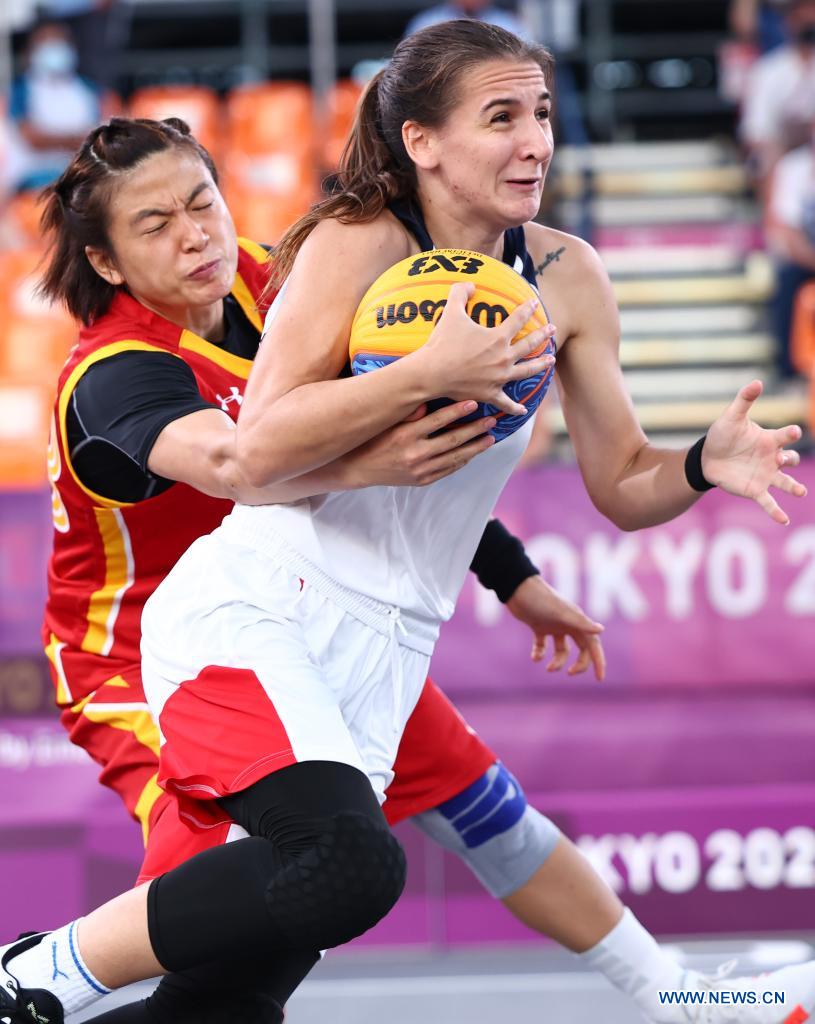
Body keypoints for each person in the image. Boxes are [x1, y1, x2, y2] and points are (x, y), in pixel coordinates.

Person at [2, 22, 810, 1024]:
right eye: (501, 117)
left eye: (543, 114)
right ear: (420, 139)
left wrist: (692, 466)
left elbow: (615, 484)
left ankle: (683, 999)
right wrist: (428, 378)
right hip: (209, 625)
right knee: (338, 865)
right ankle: (42, 969)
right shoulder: (225, 314)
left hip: (384, 636)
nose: (535, 142)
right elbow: (249, 457)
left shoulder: (555, 275)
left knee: (241, 990)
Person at [8, 21, 103, 193]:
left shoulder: (88, 89)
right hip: (34, 182)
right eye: (46, 41)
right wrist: (76, 139)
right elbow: (31, 137)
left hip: (84, 178)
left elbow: (102, 134)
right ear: (31, 50)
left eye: (59, 40)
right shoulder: (21, 89)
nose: (54, 46)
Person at [740, 0, 815, 189]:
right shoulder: (767, 70)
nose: (808, 20)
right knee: (764, 161)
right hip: (783, 155)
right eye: (800, 16)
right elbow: (756, 132)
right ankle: (773, 216)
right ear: (788, 22)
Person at [764, 122, 815, 376]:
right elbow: (787, 229)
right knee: (787, 280)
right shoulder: (793, 168)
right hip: (804, 258)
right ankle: (787, 369)